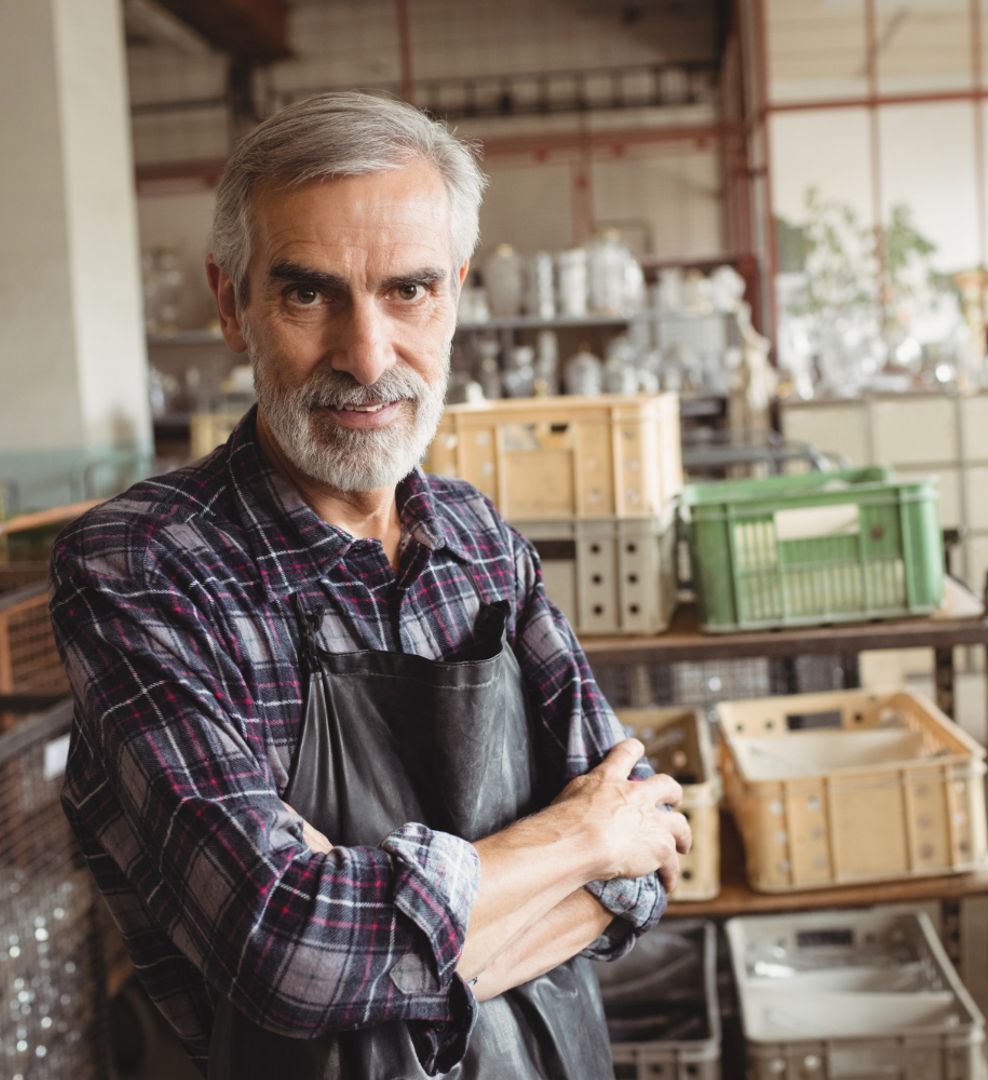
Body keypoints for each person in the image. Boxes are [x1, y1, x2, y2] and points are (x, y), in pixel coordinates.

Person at [50, 91, 691, 1079]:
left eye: (408, 291)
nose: (365, 356)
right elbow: (288, 948)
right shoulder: (143, 569)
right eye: (309, 294)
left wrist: (378, 957)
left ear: (456, 294)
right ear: (233, 304)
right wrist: (574, 837)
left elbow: (648, 852)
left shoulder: (479, 542)